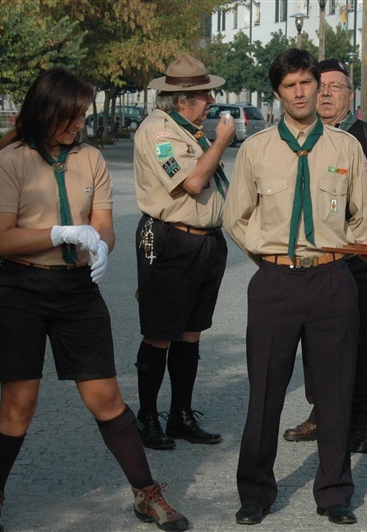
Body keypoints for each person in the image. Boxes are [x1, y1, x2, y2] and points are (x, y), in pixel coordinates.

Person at [0, 67, 188, 532]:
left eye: (82, 116)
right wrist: (57, 232)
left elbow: (104, 225)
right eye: (71, 117)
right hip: (20, 288)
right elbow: (0, 239)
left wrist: (100, 246)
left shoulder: (90, 157)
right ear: (47, 110)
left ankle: (146, 493)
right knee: (18, 404)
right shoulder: (9, 160)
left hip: (77, 292)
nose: (79, 125)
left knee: (106, 397)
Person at [223, 48, 367, 526]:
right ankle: (255, 492)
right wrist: (270, 256)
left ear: (319, 86)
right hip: (274, 283)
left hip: (333, 279)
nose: (300, 92)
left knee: (334, 394)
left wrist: (333, 250)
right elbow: (236, 216)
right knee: (265, 392)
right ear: (278, 92)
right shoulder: (256, 149)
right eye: (289, 85)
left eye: (308, 83)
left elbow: (366, 216)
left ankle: (333, 492)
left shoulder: (345, 148)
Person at [282, 58, 367, 454]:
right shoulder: (301, 139)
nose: (328, 92)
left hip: (359, 262)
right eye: (323, 85)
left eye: (337, 86)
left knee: (362, 342)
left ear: (351, 95)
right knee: (315, 341)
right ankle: (321, 414)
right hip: (314, 262)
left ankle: (357, 423)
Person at [132, 52, 235, 450]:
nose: (211, 102)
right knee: (160, 333)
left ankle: (181, 414)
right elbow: (192, 182)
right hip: (170, 239)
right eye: (205, 95)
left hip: (205, 241)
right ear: (182, 100)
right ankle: (146, 417)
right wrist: (223, 141)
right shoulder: (159, 133)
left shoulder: (188, 128)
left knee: (190, 334)